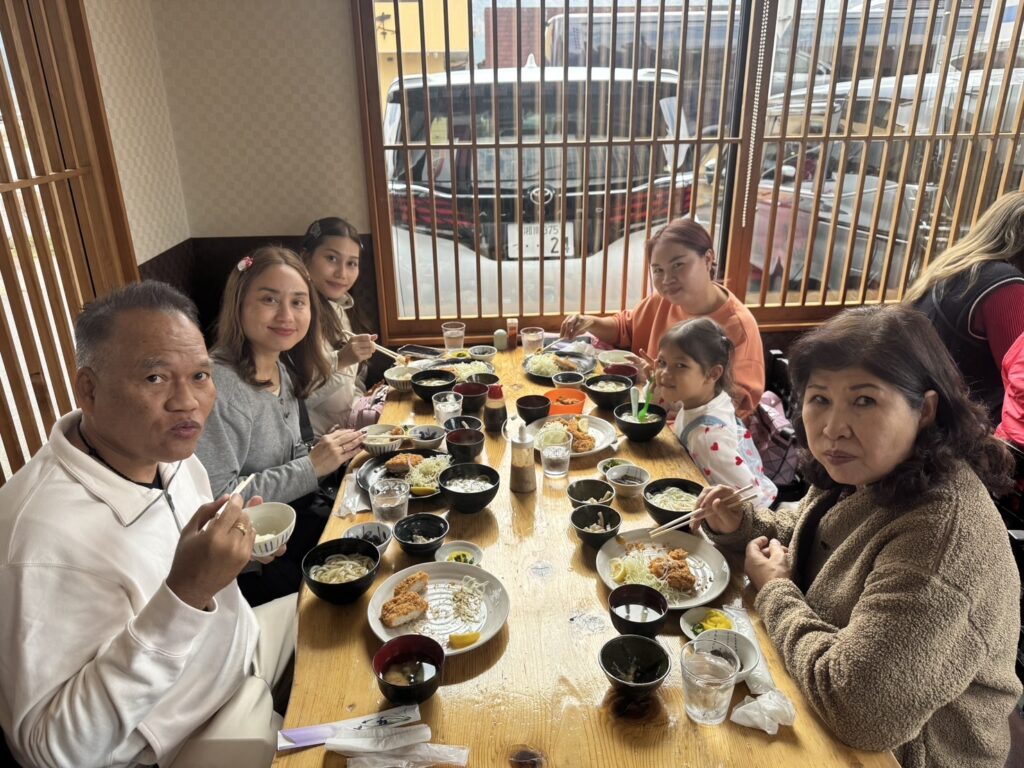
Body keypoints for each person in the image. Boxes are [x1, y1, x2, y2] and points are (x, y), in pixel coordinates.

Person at [692, 304, 1020, 768]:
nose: (832, 428)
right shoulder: (868, 469)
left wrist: (776, 592)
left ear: (925, 410)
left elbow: (859, 708)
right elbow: (813, 540)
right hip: (816, 693)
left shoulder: (941, 539)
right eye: (819, 398)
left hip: (911, 753)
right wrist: (741, 525)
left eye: (864, 400)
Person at [0, 282, 295, 768]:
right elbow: (52, 750)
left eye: (200, 375)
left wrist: (232, 561)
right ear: (89, 390)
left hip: (240, 655)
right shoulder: (38, 537)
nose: (187, 401)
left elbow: (182, 572)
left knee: (347, 612)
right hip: (190, 739)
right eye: (156, 378)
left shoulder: (170, 455)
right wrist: (187, 593)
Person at [195, 246, 364, 605]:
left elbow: (294, 451)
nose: (286, 315)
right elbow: (217, 503)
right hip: (250, 565)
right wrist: (312, 466)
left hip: (292, 523)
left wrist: (328, 453)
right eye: (269, 299)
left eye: (298, 302)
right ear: (239, 304)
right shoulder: (218, 387)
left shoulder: (279, 367)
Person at [559, 217, 764, 420]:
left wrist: (667, 385)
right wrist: (591, 322)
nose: (667, 279)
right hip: (646, 410)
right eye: (658, 270)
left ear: (708, 259)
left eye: (678, 265)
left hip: (702, 428)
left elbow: (738, 405)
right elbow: (625, 327)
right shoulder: (663, 300)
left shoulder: (738, 326)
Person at [906, 190, 1024, 424]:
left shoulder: (952, 270)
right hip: (966, 430)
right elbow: (1020, 380)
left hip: (927, 416)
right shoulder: (1005, 285)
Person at [656, 318, 778, 507]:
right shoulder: (710, 399)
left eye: (680, 365)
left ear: (712, 374)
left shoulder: (706, 437)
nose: (664, 372)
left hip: (746, 514)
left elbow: (752, 499)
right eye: (662, 362)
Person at [299, 217, 381, 434]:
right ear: (305, 258)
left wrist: (363, 407)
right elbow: (293, 402)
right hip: (315, 441)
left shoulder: (341, 309)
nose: (342, 273)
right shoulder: (295, 318)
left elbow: (355, 382)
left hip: (347, 431)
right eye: (331, 258)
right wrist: (341, 360)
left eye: (351, 263)